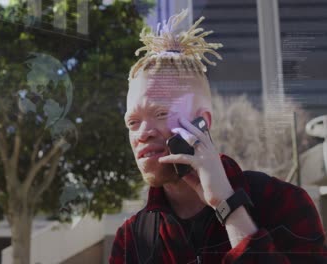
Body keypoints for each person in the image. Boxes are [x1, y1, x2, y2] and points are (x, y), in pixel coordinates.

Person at [109, 9, 327, 264]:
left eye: (160, 113)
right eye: (133, 122)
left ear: (202, 122)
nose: (142, 133)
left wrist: (228, 206)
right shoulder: (131, 240)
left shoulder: (282, 202)